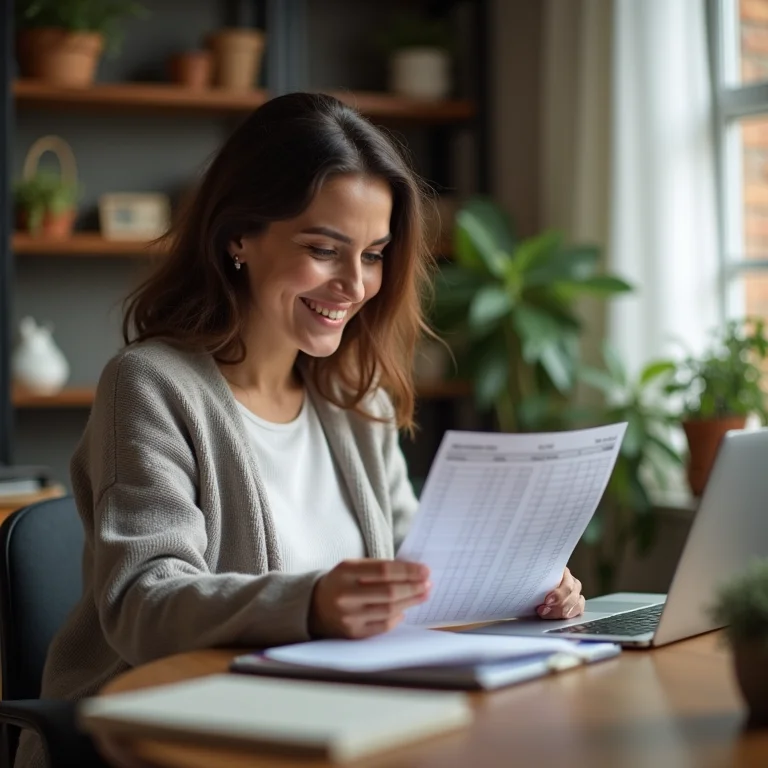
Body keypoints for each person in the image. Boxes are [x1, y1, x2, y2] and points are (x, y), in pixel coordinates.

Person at [15, 92, 584, 768]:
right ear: (239, 237)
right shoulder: (152, 385)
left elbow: (419, 564)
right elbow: (145, 602)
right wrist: (311, 602)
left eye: (373, 254)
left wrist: (523, 585)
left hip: (336, 721)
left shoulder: (355, 395)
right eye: (324, 249)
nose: (354, 283)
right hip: (178, 735)